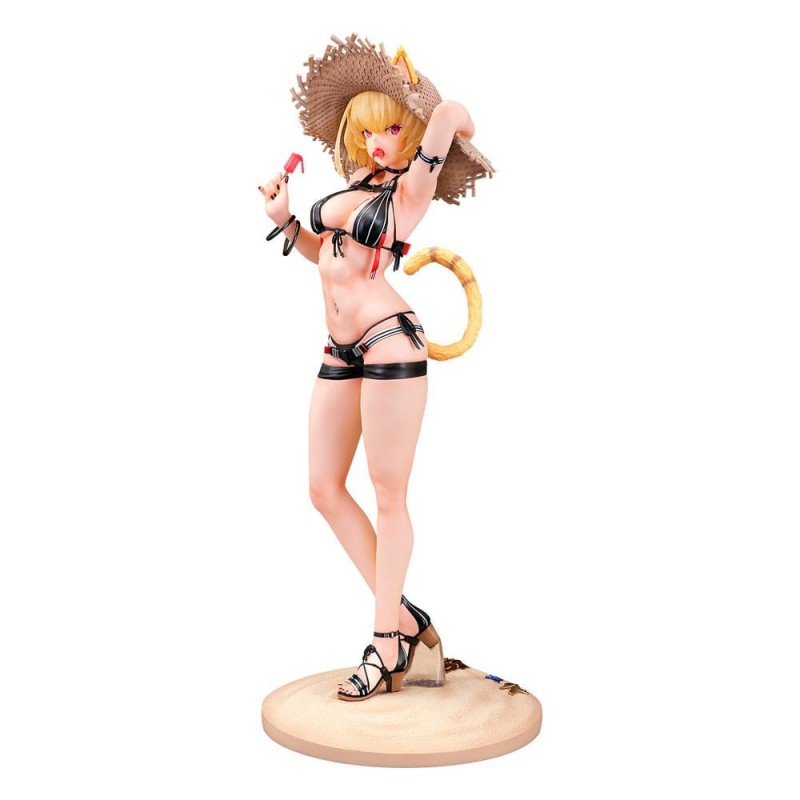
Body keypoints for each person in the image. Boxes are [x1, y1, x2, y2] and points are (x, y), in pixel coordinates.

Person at [259, 34, 493, 701]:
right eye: (368, 131)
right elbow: (327, 255)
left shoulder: (412, 188)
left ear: (410, 133)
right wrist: (285, 220)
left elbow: (455, 117)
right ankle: (408, 619)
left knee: (388, 494)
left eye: (391, 129)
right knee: (323, 488)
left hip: (390, 342)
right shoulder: (361, 187)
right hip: (340, 349)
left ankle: (385, 643)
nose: (377, 142)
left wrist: (431, 112)